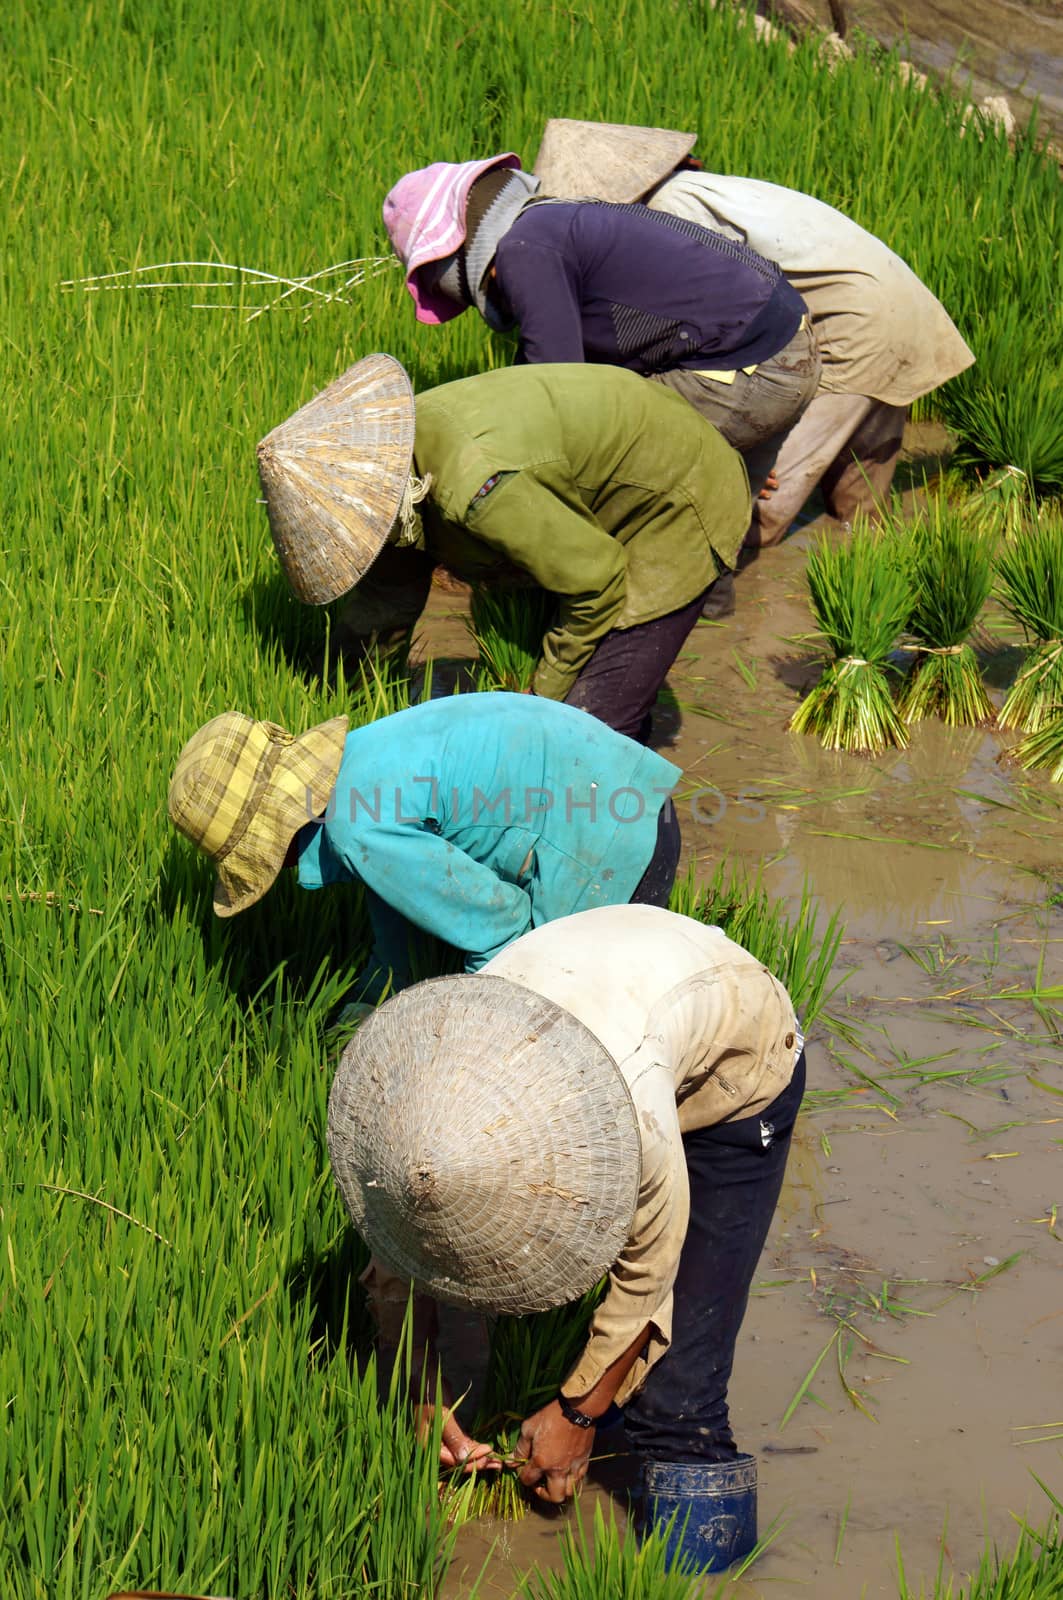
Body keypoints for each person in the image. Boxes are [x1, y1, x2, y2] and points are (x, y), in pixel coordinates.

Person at [326, 902, 806, 1573]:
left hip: (735, 1051)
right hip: (604, 982)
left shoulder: (632, 1119)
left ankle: (708, 1575)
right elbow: (401, 1271)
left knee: (676, 1397)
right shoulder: (411, 1122)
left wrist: (576, 1416)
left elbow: (648, 1279)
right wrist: (424, 1396)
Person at [533, 118, 975, 610]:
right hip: (889, 302)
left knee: (754, 510)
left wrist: (746, 445)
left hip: (847, 322)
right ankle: (878, 598)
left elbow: (702, 333)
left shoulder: (667, 209)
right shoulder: (698, 189)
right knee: (859, 507)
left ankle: (778, 615)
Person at [255, 353, 750, 742]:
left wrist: (538, 699)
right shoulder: (391, 467)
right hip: (576, 497)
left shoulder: (473, 488)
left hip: (674, 499)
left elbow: (598, 580)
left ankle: (626, 850)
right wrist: (335, 708)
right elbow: (384, 602)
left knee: (584, 730)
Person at [167, 693, 682, 1000]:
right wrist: (377, 997)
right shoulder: (357, 769)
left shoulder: (357, 827)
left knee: (603, 1046)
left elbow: (500, 928)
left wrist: (469, 1032)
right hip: (629, 795)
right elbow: (399, 912)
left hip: (611, 849)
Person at [382, 154, 820, 497]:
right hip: (783, 340)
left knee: (609, 479)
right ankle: (713, 600)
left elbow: (559, 394)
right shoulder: (555, 222)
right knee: (710, 539)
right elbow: (546, 368)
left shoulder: (525, 251)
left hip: (751, 370)